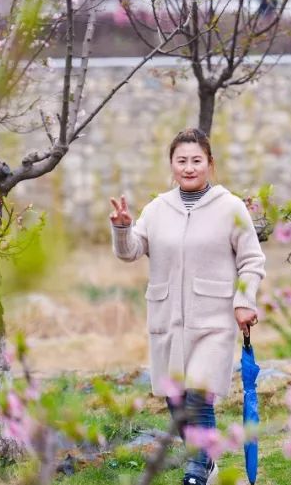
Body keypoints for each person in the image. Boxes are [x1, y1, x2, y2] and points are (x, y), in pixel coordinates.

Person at [109, 128, 266, 485]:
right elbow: (131, 251)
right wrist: (122, 228)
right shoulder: (158, 208)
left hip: (213, 321)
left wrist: (244, 301)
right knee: (177, 400)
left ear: (210, 164)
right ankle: (205, 464)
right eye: (182, 161)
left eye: (197, 160)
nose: (189, 167)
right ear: (171, 165)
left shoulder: (230, 207)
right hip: (167, 319)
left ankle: (198, 466)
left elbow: (252, 261)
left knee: (197, 394)